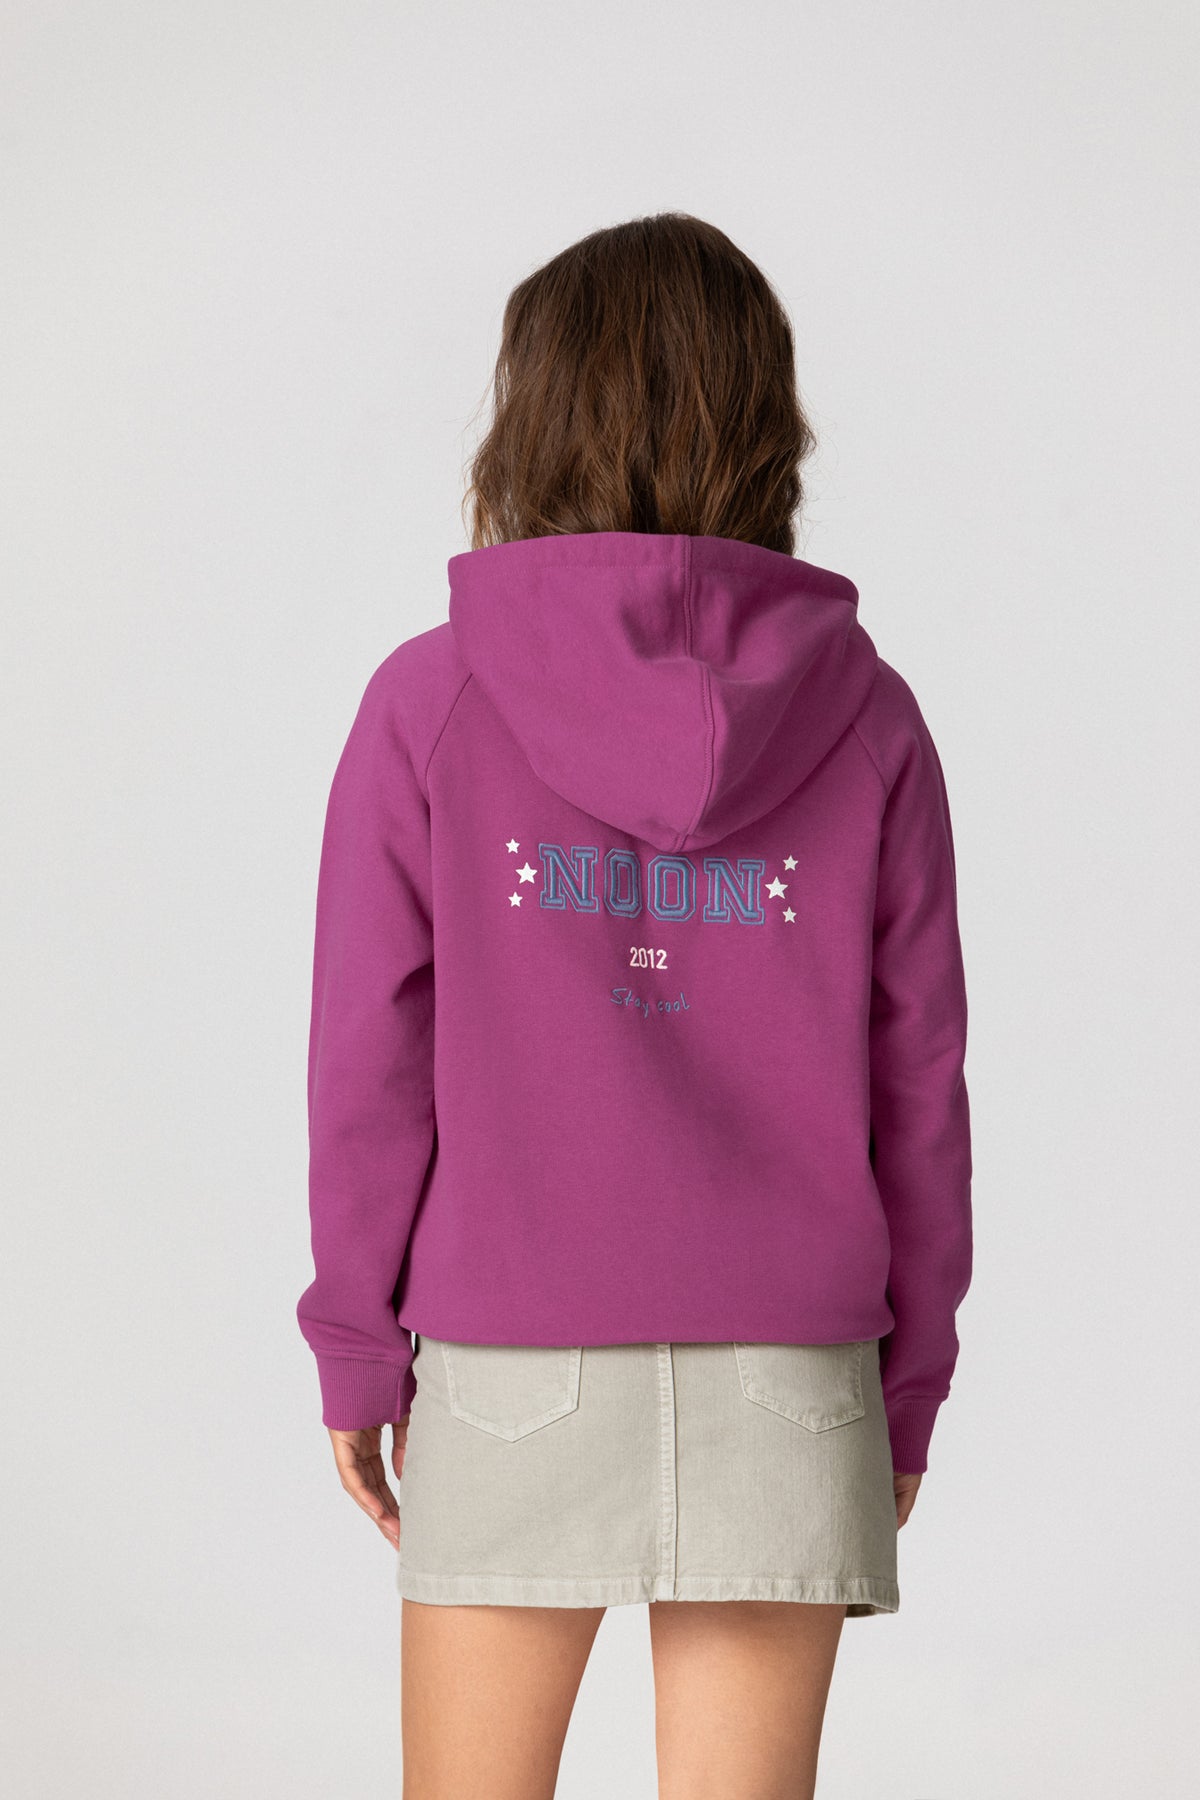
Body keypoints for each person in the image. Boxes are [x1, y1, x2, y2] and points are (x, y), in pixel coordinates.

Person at [296, 211, 973, 1800]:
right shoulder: (869, 716)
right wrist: (907, 1391)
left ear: (533, 416)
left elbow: (367, 1058)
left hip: (510, 1356)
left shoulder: (432, 700)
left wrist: (357, 1347)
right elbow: (922, 1087)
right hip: (793, 1367)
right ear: (764, 423)